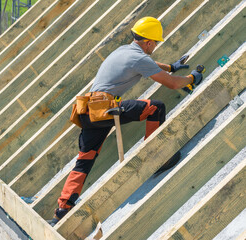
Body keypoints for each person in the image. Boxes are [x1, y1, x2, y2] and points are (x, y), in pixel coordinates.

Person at [48, 16, 203, 226]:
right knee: (155, 107)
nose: (155, 47)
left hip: (89, 112)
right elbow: (173, 84)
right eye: (155, 43)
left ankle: (62, 210)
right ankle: (158, 158)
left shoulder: (123, 50)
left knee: (85, 160)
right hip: (105, 109)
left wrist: (170, 67)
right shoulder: (139, 58)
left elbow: (147, 64)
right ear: (148, 42)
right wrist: (192, 78)